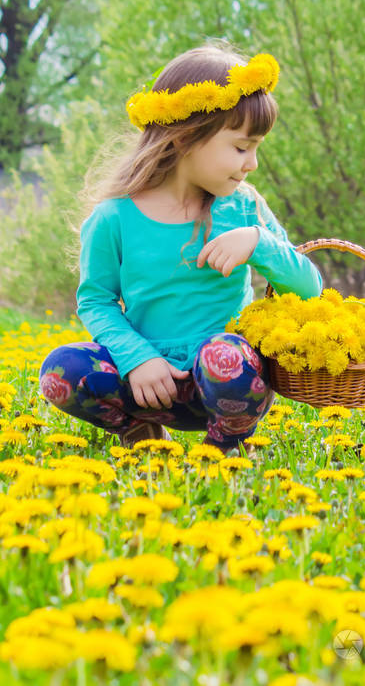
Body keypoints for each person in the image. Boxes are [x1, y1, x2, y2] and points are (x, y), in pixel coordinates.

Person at [39, 44, 322, 453]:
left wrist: (259, 243)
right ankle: (141, 431)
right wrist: (138, 358)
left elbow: (310, 290)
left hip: (226, 381)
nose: (252, 163)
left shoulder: (244, 208)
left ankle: (221, 446)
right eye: (242, 147)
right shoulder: (114, 218)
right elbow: (96, 300)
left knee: (227, 357)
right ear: (187, 137)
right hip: (148, 383)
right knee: (61, 370)